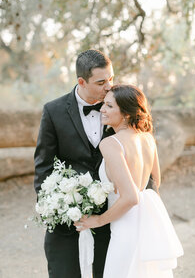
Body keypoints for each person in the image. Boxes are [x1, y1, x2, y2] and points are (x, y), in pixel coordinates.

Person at [75, 85, 184, 278]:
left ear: (125, 113)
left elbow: (131, 197)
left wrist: (98, 220)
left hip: (124, 226)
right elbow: (155, 181)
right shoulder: (147, 138)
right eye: (104, 104)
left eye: (109, 106)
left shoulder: (110, 143)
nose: (102, 109)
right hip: (145, 224)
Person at [34, 49, 115, 278]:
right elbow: (44, 165)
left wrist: (149, 201)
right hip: (68, 215)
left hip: (113, 213)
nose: (108, 87)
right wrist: (52, 207)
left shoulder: (120, 104)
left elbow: (139, 152)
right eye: (101, 82)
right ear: (81, 81)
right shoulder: (53, 111)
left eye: (111, 78)